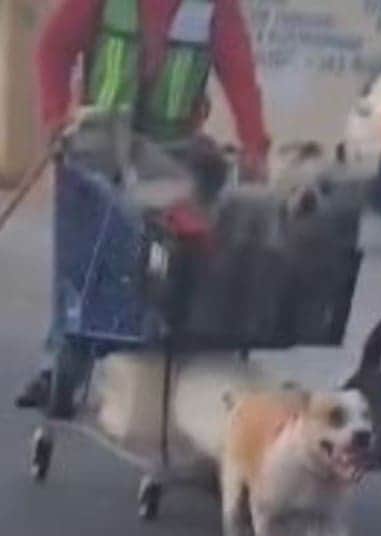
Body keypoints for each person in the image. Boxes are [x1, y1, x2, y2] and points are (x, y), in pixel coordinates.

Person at [15, 0, 270, 414]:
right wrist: (55, 119)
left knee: (170, 260)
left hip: (169, 152)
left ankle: (166, 379)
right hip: (101, 147)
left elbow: (239, 74)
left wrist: (255, 146)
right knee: (86, 265)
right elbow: (53, 47)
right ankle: (63, 368)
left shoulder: (212, 7)